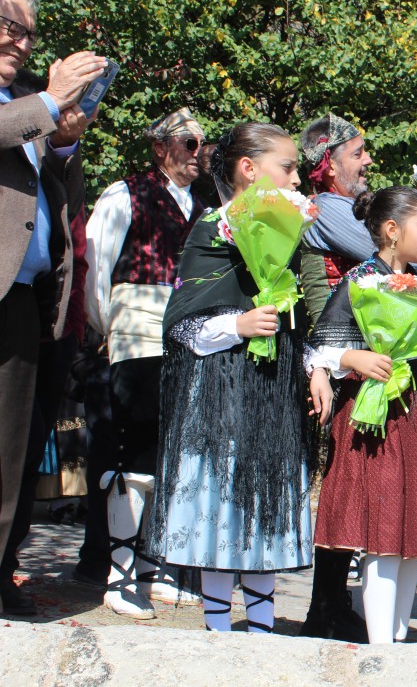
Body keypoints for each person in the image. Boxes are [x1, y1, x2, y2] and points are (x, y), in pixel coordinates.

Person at [143, 123, 314, 634]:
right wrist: (237, 325)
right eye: (287, 166)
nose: (298, 177)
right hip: (220, 387)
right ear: (249, 169)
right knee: (221, 506)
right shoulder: (213, 229)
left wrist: (313, 365)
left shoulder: (289, 235)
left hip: (269, 386)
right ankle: (219, 631)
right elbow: (183, 322)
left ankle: (262, 629)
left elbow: (302, 308)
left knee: (263, 497)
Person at [305, 185, 417, 644]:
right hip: (376, 419)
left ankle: (398, 641)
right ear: (393, 231)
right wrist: (352, 360)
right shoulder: (360, 280)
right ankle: (381, 646)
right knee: (381, 531)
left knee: (412, 530)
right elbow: (320, 345)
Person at [0, 0, 105, 616]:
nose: (20, 39)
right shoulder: (21, 106)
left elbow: (52, 198)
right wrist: (45, 104)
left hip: (23, 298)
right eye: (8, 24)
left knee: (12, 447)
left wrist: (62, 141)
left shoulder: (21, 105)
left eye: (27, 32)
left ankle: (3, 567)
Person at [82, 107, 208, 617]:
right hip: (135, 329)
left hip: (186, 338)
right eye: (190, 144)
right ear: (162, 148)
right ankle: (121, 574)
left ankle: (154, 566)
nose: (199, 153)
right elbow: (96, 265)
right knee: (131, 453)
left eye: (203, 143)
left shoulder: (204, 206)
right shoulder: (124, 193)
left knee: (168, 453)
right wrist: (104, 327)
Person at [299, 113, 417, 325]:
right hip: (343, 345)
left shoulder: (351, 205)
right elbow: (390, 250)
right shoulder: (322, 208)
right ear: (330, 166)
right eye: (357, 155)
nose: (368, 159)